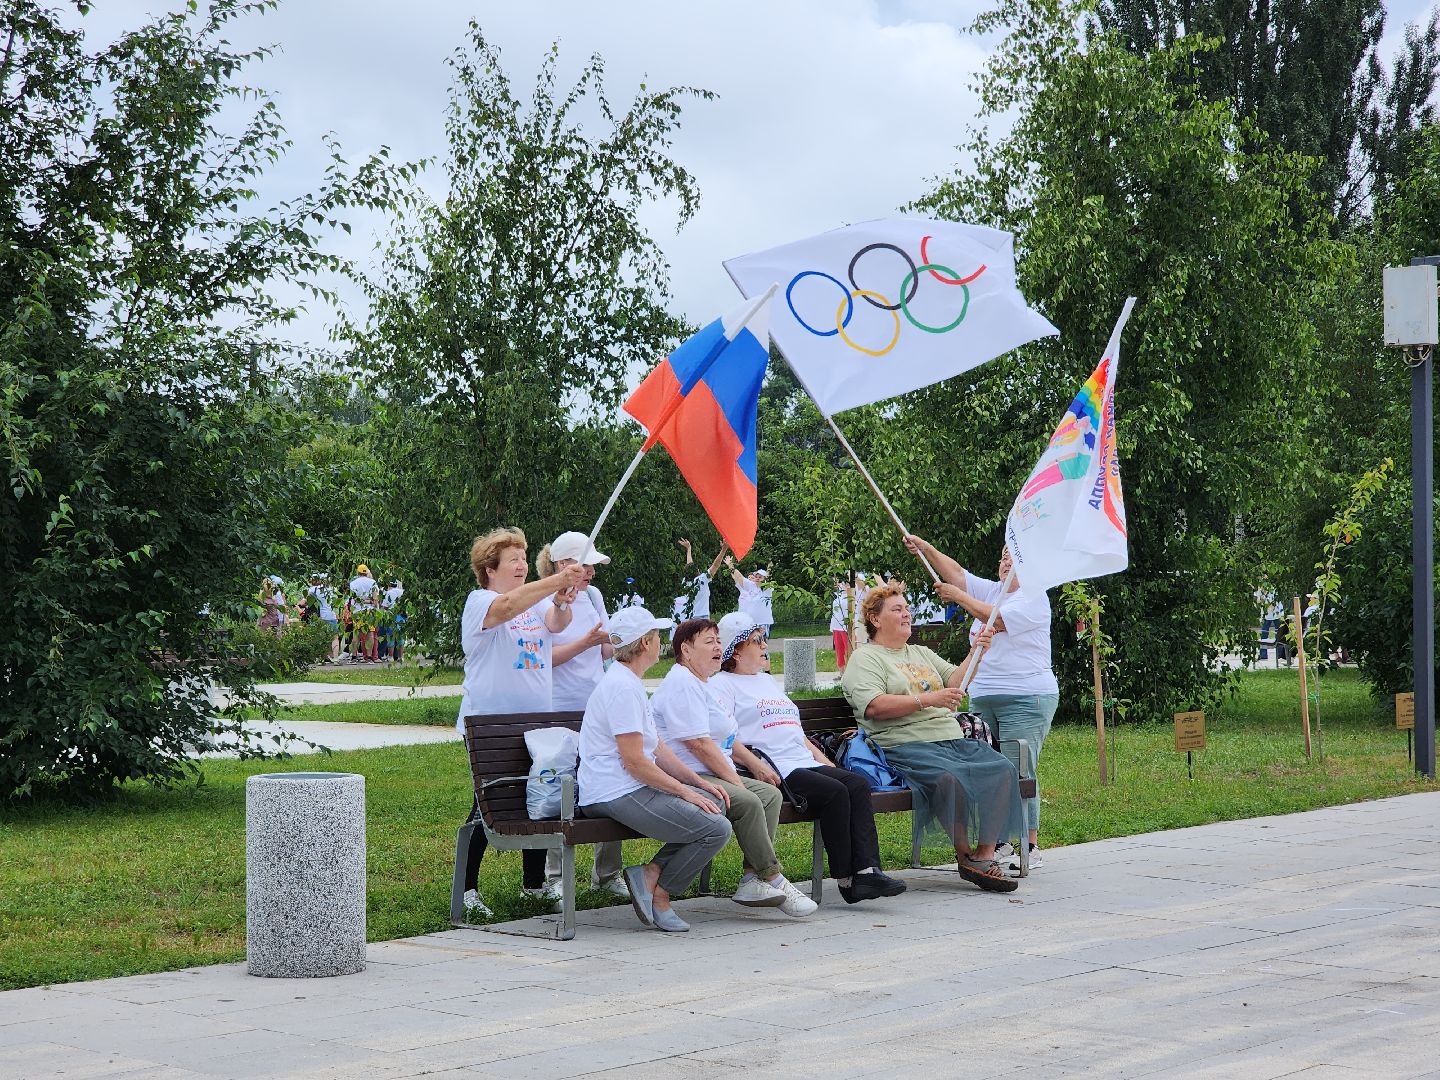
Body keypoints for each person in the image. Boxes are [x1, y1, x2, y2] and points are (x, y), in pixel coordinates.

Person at [840, 580, 1024, 893]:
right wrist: (928, 700)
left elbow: (956, 681)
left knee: (1004, 770)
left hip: (950, 738)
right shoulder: (866, 658)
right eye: (898, 609)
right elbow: (873, 707)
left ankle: (984, 855)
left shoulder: (920, 653)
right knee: (948, 779)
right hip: (904, 743)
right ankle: (965, 855)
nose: (907, 614)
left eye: (907, 608)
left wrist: (976, 651)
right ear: (875, 619)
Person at [712, 612, 906, 904]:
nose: (765, 644)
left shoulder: (765, 682)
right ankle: (847, 880)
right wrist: (755, 765)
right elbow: (726, 737)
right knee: (835, 792)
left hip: (802, 761)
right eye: (757, 640)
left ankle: (867, 871)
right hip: (773, 767)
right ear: (736, 651)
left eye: (765, 637)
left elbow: (797, 733)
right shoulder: (722, 685)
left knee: (855, 784)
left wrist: (826, 763)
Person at [455, 528, 587, 918]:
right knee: (489, 803)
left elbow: (555, 624)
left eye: (524, 558)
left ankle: (533, 885)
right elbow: (508, 606)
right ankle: (466, 890)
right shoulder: (481, 601)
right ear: (489, 568)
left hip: (535, 721)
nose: (522, 565)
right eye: (513, 560)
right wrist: (556, 580)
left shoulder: (530, 605)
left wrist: (563, 601)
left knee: (536, 799)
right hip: (490, 726)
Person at [906, 535, 1058, 872]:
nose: (1006, 562)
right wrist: (927, 549)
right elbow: (957, 575)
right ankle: (1000, 840)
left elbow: (995, 619)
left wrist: (957, 597)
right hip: (985, 694)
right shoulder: (992, 589)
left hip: (1026, 697)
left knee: (1018, 766)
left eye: (1014, 559)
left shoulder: (1033, 598)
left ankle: (1028, 843)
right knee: (993, 770)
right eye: (1003, 557)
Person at [578, 607, 734, 933]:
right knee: (716, 829)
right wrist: (684, 791)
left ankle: (650, 874)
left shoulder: (629, 682)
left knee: (715, 804)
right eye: (656, 636)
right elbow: (634, 762)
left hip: (627, 786)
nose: (660, 642)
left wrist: (696, 784)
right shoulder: (622, 688)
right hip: (614, 791)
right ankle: (661, 895)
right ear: (645, 643)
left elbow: (657, 748)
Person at [652, 617, 818, 918]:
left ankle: (751, 878)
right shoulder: (682, 683)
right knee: (749, 800)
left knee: (769, 795)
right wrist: (736, 780)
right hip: (690, 774)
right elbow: (699, 746)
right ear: (686, 650)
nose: (718, 647)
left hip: (711, 770)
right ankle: (772, 876)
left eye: (719, 641)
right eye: (709, 642)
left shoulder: (700, 683)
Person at [534, 530, 626, 898]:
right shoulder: (543, 598)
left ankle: (607, 873)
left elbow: (603, 652)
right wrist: (585, 643)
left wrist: (618, 641)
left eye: (593, 566)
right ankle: (556, 876)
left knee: (613, 777)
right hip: (559, 705)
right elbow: (545, 660)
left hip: (595, 703)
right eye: (585, 565)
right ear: (562, 564)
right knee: (561, 787)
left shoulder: (595, 596)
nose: (590, 573)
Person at [678, 538, 728, 620]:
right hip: (702, 617)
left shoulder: (685, 582)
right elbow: (715, 565)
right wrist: (723, 550)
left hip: (690, 618)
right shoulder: (702, 579)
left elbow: (689, 566)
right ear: (696, 571)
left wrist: (689, 548)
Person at [725, 555, 774, 633]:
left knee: (761, 644)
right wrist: (730, 565)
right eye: (756, 576)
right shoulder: (751, 586)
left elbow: (769, 577)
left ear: (765, 579)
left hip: (762, 623)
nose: (758, 578)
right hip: (749, 623)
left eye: (760, 576)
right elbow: (739, 577)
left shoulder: (767, 589)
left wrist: (770, 565)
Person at [305, 573, 340, 661]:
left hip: (321, 616)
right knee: (335, 637)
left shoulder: (314, 589)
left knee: (321, 637)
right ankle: (335, 658)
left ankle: (321, 659)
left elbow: (307, 601)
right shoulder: (333, 589)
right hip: (332, 616)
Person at [349, 563, 379, 663]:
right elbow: (375, 600)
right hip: (369, 611)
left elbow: (353, 599)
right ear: (367, 573)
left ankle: (354, 656)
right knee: (370, 633)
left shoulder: (353, 583)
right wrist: (369, 601)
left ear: (358, 572)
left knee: (356, 634)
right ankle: (369, 657)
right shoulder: (373, 582)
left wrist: (361, 601)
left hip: (357, 611)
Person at [830, 579, 851, 670]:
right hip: (836, 626)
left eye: (846, 584)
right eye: (843, 584)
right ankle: (841, 672)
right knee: (839, 650)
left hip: (846, 628)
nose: (843, 586)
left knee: (848, 650)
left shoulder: (851, 597)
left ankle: (849, 672)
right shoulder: (838, 596)